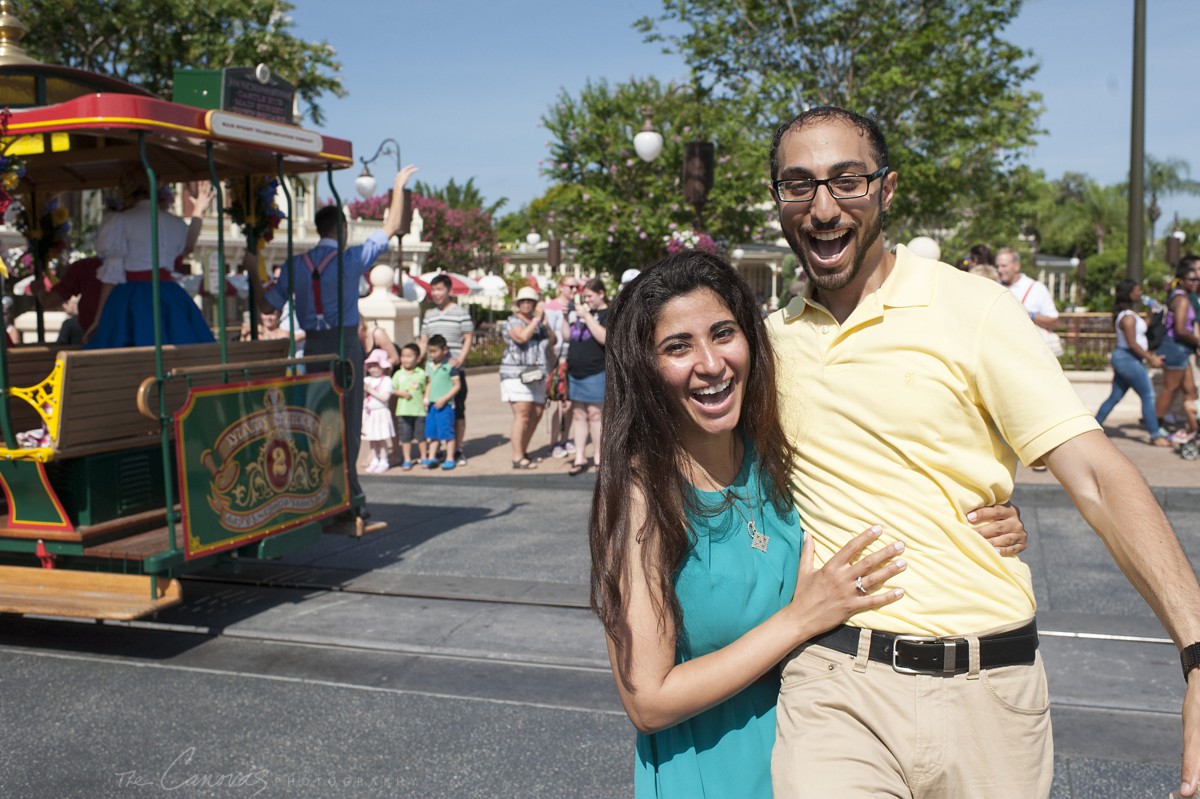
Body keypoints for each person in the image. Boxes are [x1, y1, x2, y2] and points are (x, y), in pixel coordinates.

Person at [765, 105, 1200, 798]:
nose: (822, 207)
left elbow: (1094, 473)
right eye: (799, 184)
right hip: (836, 684)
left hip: (992, 691)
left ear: (886, 189)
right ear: (778, 199)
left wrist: (1197, 650)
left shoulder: (976, 309)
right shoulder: (768, 346)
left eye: (846, 180)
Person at [591, 251, 1028, 798]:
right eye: (678, 346)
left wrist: (987, 516)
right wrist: (799, 620)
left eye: (723, 333)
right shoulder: (641, 496)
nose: (710, 362)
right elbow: (647, 701)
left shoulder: (774, 456)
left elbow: (889, 481)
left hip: (823, 757)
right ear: (644, 368)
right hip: (714, 773)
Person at [249, 165, 417, 506]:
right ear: (340, 229)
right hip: (344, 346)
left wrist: (253, 270)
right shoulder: (351, 259)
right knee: (349, 417)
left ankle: (316, 484)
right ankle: (348, 487)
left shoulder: (296, 265)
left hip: (311, 347)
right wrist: (397, 186)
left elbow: (268, 305)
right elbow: (391, 227)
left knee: (316, 416)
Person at [85, 166, 216, 349]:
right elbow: (187, 248)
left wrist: (99, 320)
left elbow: (112, 275)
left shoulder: (119, 221)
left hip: (132, 296)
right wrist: (198, 214)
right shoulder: (175, 223)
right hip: (170, 294)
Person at [1095, 279, 1172, 447]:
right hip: (1127, 358)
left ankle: (1092, 427)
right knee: (1148, 395)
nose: (1140, 293)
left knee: (1115, 396)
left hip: (1127, 358)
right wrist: (1151, 358)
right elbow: (1132, 343)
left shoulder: (1130, 314)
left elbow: (1142, 328)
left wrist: (1151, 314)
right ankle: (1155, 434)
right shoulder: (1128, 318)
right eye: (1138, 290)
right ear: (1129, 293)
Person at [419, 273, 473, 467]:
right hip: (434, 370)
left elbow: (468, 336)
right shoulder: (429, 314)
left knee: (457, 410)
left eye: (440, 289)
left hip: (452, 369)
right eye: (433, 289)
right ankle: (438, 449)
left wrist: (461, 359)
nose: (436, 293)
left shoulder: (460, 312)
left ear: (449, 291)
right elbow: (424, 339)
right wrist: (419, 359)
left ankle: (457, 449)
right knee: (434, 409)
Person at [501, 286, 556, 469]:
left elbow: (553, 340)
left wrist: (544, 322)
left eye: (529, 301)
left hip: (536, 374)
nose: (526, 304)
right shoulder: (512, 321)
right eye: (523, 301)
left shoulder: (538, 323)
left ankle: (523, 450)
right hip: (516, 374)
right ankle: (517, 458)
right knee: (523, 413)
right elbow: (522, 337)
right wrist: (536, 320)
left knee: (537, 412)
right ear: (517, 304)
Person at [564, 277, 608, 476]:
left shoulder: (609, 313)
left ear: (601, 294)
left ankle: (599, 457)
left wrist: (588, 317)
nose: (587, 300)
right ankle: (580, 456)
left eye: (590, 296)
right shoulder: (582, 314)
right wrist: (567, 318)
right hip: (575, 372)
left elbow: (605, 338)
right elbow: (566, 337)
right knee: (578, 414)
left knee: (595, 414)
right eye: (584, 297)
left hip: (596, 371)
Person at [1154, 262, 1200, 444]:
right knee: (1170, 389)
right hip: (1175, 348)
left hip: (1181, 349)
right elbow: (1180, 329)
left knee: (1190, 391)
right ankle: (1156, 428)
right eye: (1192, 279)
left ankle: (1193, 428)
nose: (1196, 282)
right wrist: (1198, 341)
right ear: (1181, 281)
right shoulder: (1181, 299)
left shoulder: (1183, 296)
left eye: (1197, 279)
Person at [996, 246, 1062, 356]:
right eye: (997, 266)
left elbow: (1054, 321)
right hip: (1001, 351)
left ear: (1016, 266)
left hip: (1030, 354)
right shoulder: (994, 287)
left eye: (1004, 266)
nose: (999, 270)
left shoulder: (1036, 288)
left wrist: (1029, 315)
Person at [543, 278, 577, 459]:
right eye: (570, 286)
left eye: (575, 286)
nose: (573, 289)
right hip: (556, 360)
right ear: (560, 287)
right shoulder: (550, 307)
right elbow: (549, 334)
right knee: (561, 403)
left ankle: (564, 438)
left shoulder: (575, 306)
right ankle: (554, 442)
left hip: (572, 359)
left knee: (570, 403)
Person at [422, 334, 461, 470]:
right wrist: (426, 398)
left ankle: (450, 458)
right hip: (432, 405)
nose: (432, 354)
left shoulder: (450, 367)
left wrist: (445, 398)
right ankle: (432, 457)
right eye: (430, 351)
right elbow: (429, 383)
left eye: (434, 351)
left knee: (447, 432)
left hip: (446, 406)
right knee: (432, 433)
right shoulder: (428, 365)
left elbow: (457, 385)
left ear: (444, 350)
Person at [392, 342, 428, 470]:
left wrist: (426, 400)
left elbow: (425, 388)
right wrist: (400, 393)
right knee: (405, 438)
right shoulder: (398, 374)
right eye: (403, 356)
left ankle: (424, 457)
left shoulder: (421, 374)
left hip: (419, 411)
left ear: (417, 358)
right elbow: (391, 388)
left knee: (421, 436)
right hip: (403, 411)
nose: (405, 359)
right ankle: (407, 459)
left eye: (409, 356)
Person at [361, 348, 394, 474]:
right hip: (369, 413)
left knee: (381, 438)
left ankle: (384, 460)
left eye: (376, 366)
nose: (373, 369)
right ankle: (374, 459)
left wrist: (369, 390)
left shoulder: (386, 380)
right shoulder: (367, 380)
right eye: (371, 366)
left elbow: (385, 397)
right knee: (372, 438)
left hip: (381, 412)